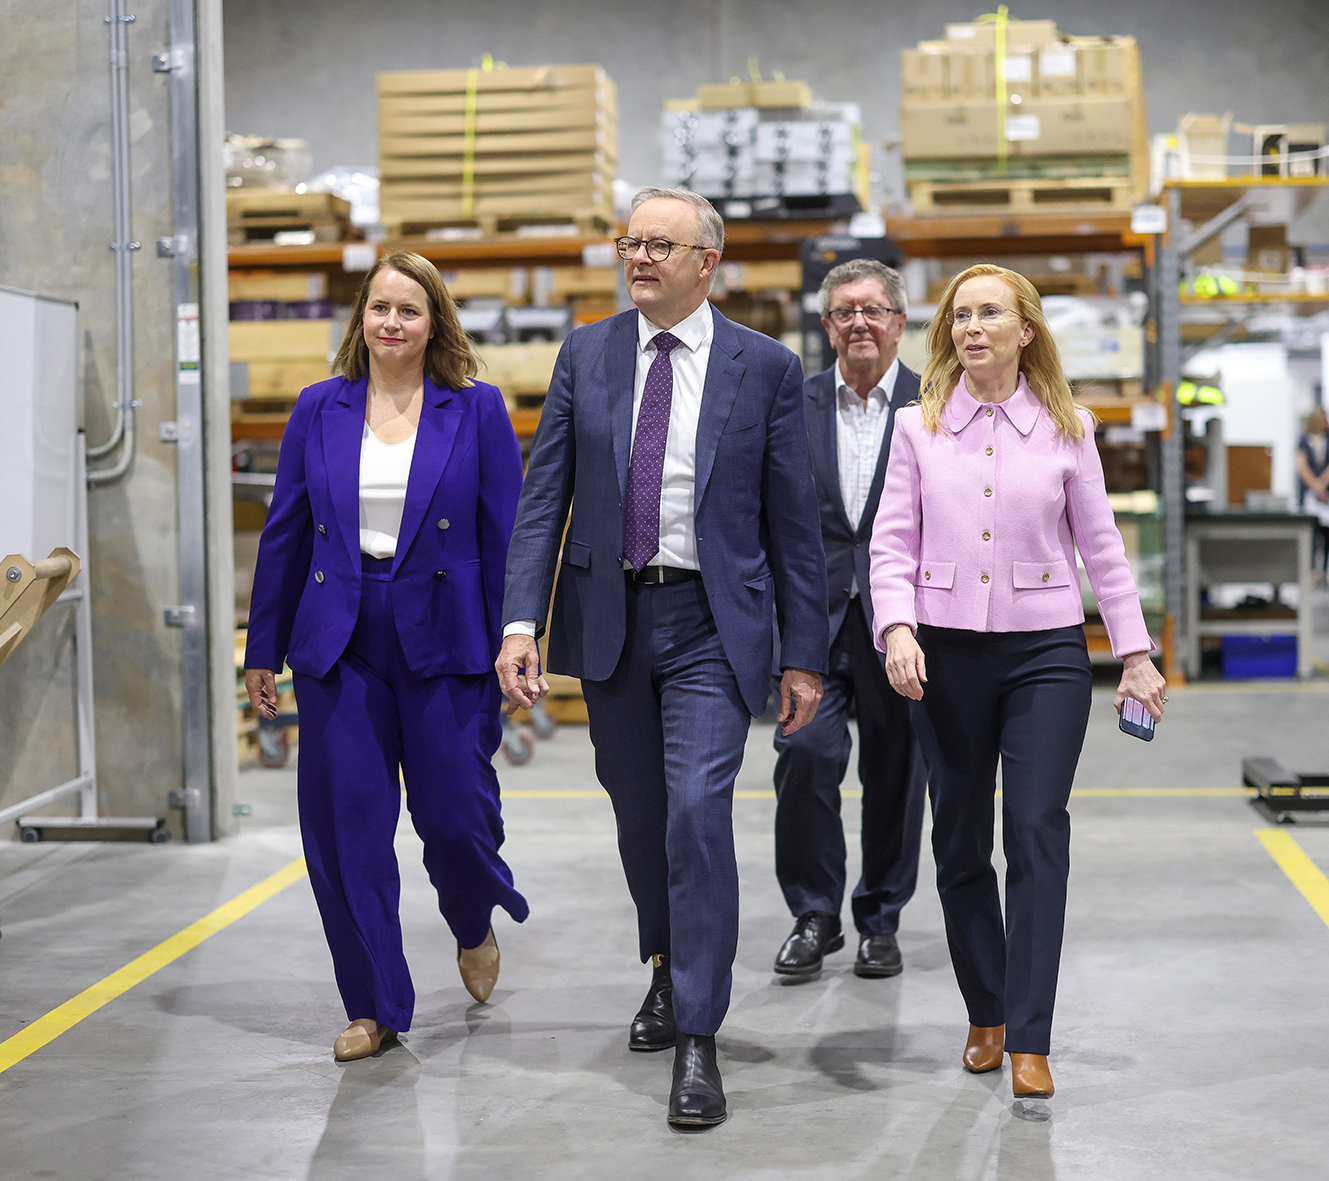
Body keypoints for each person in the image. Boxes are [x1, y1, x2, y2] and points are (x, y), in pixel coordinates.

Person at [497, 188, 829, 1127]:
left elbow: (792, 526)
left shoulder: (761, 368)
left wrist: (802, 654)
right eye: (629, 241)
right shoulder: (587, 352)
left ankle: (698, 1034)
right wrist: (520, 622)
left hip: (710, 627)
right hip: (609, 622)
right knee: (641, 819)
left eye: (659, 244)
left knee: (695, 813)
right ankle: (663, 965)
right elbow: (542, 500)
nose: (638, 257)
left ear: (705, 261)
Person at [869, 263, 1166, 1100]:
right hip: (944, 655)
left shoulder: (1068, 427)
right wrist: (896, 625)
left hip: (1045, 655)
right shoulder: (916, 428)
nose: (970, 326)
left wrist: (1134, 651)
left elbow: (1101, 545)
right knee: (958, 840)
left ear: (1024, 330)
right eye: (959, 315)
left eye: (989, 313)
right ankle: (986, 1011)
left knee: (1035, 829)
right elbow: (889, 543)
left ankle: (1030, 1033)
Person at [244, 250, 529, 1063]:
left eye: (409, 309)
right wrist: (263, 644)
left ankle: (471, 919)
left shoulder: (475, 410)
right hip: (341, 638)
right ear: (359, 319)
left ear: (434, 321)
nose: (391, 323)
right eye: (378, 308)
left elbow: (507, 536)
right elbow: (286, 534)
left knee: (456, 820)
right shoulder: (318, 409)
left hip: (447, 638)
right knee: (347, 833)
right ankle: (373, 1004)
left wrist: (520, 633)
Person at [771, 259, 928, 981]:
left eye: (871, 309)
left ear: (898, 322)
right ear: (826, 326)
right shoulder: (790, 406)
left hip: (905, 625)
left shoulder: (938, 408)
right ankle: (814, 912)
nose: (857, 322)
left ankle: (880, 917)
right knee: (803, 760)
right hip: (810, 622)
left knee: (896, 771)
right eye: (843, 312)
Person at [1295, 406, 1329, 586]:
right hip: (1310, 496)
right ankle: (1311, 573)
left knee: (1326, 536)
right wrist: (1315, 486)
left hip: (1326, 496)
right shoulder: (1304, 441)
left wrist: (1322, 485)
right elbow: (1301, 466)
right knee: (1311, 535)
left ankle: (1324, 572)